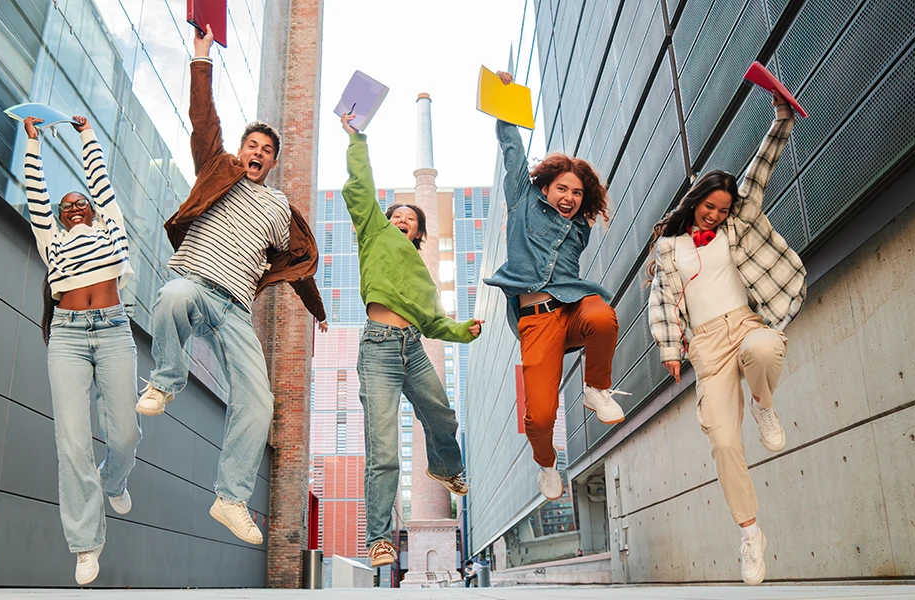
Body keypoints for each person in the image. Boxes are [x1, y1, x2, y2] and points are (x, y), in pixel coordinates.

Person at [134, 27, 326, 545]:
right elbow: (204, 119)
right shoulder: (218, 169)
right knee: (171, 295)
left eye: (267, 150)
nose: (257, 153)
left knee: (259, 402)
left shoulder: (279, 209)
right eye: (252, 145)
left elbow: (300, 264)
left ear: (274, 161)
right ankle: (166, 379)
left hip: (235, 311)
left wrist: (319, 311)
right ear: (240, 150)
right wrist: (201, 56)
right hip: (195, 283)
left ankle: (230, 498)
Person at [645, 92, 802, 586]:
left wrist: (780, 119)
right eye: (709, 207)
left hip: (745, 325)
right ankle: (751, 533)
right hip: (706, 346)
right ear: (696, 203)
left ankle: (763, 402)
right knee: (724, 443)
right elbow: (663, 300)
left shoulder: (737, 225)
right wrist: (672, 350)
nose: (715, 214)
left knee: (765, 348)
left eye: (723, 208)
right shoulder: (670, 248)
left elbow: (759, 171)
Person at [339, 113, 482, 567]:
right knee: (383, 448)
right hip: (379, 347)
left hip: (413, 349)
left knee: (442, 415)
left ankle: (444, 466)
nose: (401, 219)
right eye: (396, 214)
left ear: (419, 233)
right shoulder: (373, 235)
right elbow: (360, 189)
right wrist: (357, 139)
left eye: (410, 218)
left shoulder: (421, 272)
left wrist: (463, 331)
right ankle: (380, 537)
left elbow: (435, 320)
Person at [482, 71, 626, 503]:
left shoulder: (579, 229)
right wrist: (506, 100)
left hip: (573, 308)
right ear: (545, 188)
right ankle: (546, 463)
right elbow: (512, 152)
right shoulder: (523, 201)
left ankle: (596, 389)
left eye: (578, 193)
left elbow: (586, 290)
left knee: (603, 314)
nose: (569, 196)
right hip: (537, 322)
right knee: (539, 416)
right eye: (562, 188)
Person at [23, 114, 141, 585]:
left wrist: (86, 135)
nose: (73, 207)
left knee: (126, 433)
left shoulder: (112, 228)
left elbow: (102, 181)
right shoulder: (51, 241)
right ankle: (87, 543)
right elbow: (36, 195)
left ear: (95, 211)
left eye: (81, 203)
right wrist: (33, 145)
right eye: (66, 205)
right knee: (72, 441)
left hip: (113, 331)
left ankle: (114, 478)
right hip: (68, 338)